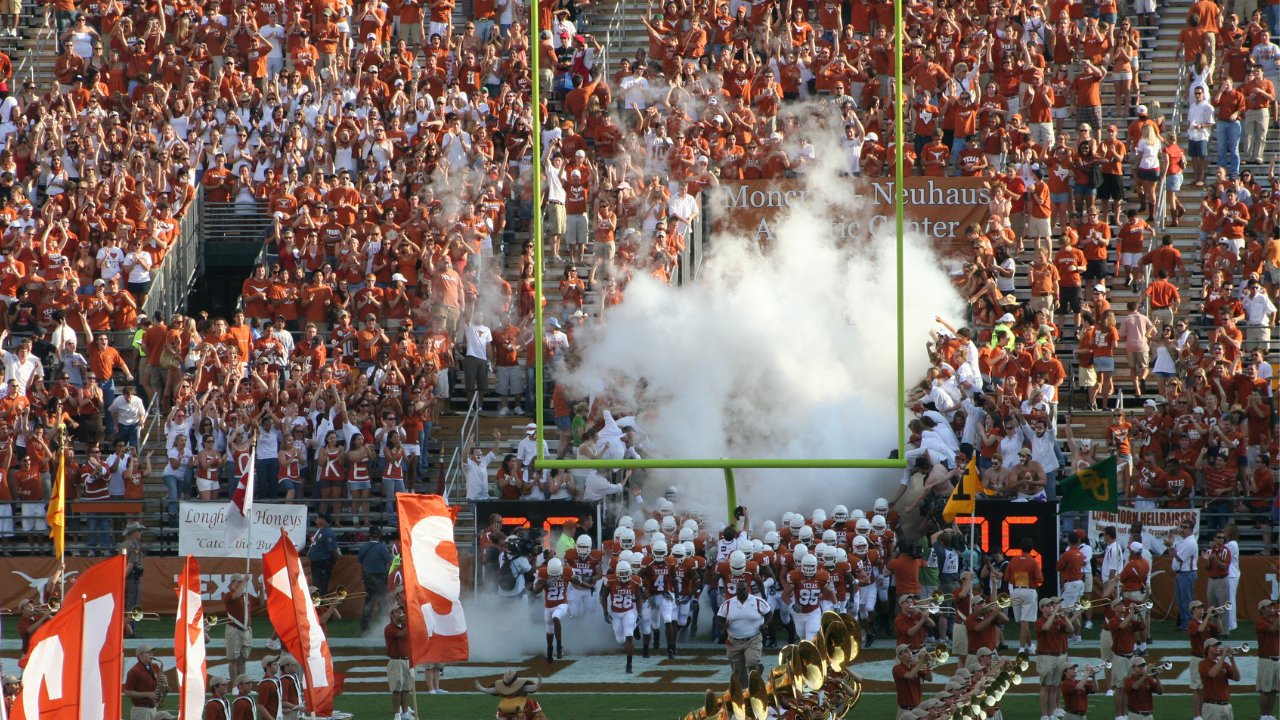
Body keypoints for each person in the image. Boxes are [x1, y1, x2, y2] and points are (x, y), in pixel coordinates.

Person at [716, 579, 770, 688]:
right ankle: (745, 691)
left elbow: (768, 613)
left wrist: (766, 624)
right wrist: (723, 626)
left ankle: (756, 681)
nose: (741, 591)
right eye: (738, 589)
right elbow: (718, 619)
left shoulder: (758, 601)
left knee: (753, 662)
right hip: (733, 640)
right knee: (737, 670)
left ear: (748, 588)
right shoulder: (728, 604)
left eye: (743, 589)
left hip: (753, 639)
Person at [601, 559, 645, 674]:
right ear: (617, 573)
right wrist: (605, 612)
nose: (624, 576)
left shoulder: (635, 581)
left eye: (626, 573)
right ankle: (630, 630)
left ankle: (629, 663)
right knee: (620, 640)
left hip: (628, 611)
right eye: (622, 573)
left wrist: (639, 614)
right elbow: (603, 597)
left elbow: (638, 598)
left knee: (629, 635)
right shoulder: (610, 580)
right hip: (615, 613)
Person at [1036, 597, 1076, 720]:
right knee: (1045, 686)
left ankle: (1051, 714)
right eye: (1047, 606)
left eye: (1051, 606)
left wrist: (1064, 616)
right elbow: (1045, 628)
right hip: (1046, 657)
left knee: (1054, 687)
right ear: (1042, 608)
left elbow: (1070, 629)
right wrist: (1054, 614)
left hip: (1059, 656)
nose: (1051, 607)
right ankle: (1044, 715)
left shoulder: (1058, 621)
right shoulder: (1039, 621)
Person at [1007, 538, 1042, 652]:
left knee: (1023, 622)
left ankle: (1030, 646)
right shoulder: (1033, 562)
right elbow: (1039, 579)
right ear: (1031, 548)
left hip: (1016, 591)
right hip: (1028, 591)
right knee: (1024, 622)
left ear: (1021, 548)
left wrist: (1020, 577)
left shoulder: (1013, 560)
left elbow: (1007, 577)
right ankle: (1022, 648)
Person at [533, 557, 570, 663]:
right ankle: (550, 650)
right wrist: (545, 583)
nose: (555, 576)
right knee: (549, 631)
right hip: (548, 606)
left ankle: (559, 646)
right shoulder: (543, 574)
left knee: (556, 618)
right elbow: (536, 590)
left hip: (562, 604)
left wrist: (588, 586)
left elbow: (577, 581)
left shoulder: (567, 572)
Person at [1189, 600, 1220, 720]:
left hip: (1207, 659)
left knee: (1206, 687)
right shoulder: (1192, 624)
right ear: (1193, 610)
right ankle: (1197, 716)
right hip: (1197, 658)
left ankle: (1204, 714)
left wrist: (1217, 618)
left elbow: (1219, 631)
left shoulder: (1206, 622)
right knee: (1197, 688)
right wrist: (1208, 616)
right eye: (1198, 608)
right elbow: (1200, 629)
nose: (1202, 609)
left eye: (1202, 608)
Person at [358, 528, 394, 633]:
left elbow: (359, 564)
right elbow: (391, 561)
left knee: (369, 602)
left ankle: (365, 627)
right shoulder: (382, 548)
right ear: (379, 536)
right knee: (383, 602)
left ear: (369, 535)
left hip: (368, 577)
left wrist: (362, 577)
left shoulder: (363, 547)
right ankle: (383, 624)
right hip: (380, 577)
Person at [1166, 519, 1199, 631]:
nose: (1182, 530)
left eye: (1185, 528)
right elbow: (1173, 557)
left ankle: (1188, 624)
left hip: (1187, 574)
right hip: (1181, 574)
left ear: (1191, 529)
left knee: (1186, 601)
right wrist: (1170, 545)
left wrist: (1171, 546)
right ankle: (1184, 623)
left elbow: (1179, 558)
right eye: (1181, 527)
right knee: (1180, 601)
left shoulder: (1190, 542)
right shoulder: (1182, 542)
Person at [122, 644, 170, 720]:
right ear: (140, 656)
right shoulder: (134, 671)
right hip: (140, 710)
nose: (151, 654)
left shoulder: (155, 667)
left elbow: (159, 684)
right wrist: (147, 694)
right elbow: (127, 692)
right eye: (148, 653)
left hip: (153, 708)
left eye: (151, 652)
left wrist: (164, 681)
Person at [223, 574, 255, 684]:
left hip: (246, 630)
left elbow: (259, 602)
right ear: (233, 582)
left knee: (243, 659)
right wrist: (245, 581)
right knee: (233, 659)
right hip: (234, 629)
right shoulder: (228, 595)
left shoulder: (246, 596)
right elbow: (236, 596)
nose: (241, 583)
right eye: (239, 581)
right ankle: (235, 685)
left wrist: (260, 589)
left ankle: (243, 684)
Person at [1199, 638, 1241, 720]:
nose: (1217, 647)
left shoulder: (1224, 664)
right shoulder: (1203, 663)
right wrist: (1223, 655)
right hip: (1212, 707)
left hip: (1226, 706)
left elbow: (1237, 678)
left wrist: (1232, 661)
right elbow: (1212, 674)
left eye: (1217, 645)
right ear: (1207, 649)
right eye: (1214, 646)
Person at [385, 605, 413, 720]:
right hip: (396, 661)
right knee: (397, 689)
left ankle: (405, 712)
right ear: (391, 615)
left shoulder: (405, 625)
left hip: (407, 660)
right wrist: (411, 621)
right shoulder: (389, 628)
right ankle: (397, 713)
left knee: (407, 688)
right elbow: (401, 634)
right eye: (397, 611)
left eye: (402, 610)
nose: (401, 612)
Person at [892, 642, 932, 720]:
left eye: (910, 651)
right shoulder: (897, 668)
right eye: (906, 651)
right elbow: (910, 675)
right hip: (905, 710)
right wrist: (921, 661)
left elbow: (929, 678)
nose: (910, 653)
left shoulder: (914, 667)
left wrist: (927, 664)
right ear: (900, 656)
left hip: (918, 709)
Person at [120, 521, 145, 638]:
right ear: (134, 533)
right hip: (132, 578)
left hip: (124, 578)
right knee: (132, 606)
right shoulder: (133, 546)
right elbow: (130, 565)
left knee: (123, 605)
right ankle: (130, 631)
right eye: (139, 531)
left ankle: (122, 629)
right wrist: (123, 577)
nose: (141, 533)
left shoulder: (123, 544)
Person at [1257, 599, 1280, 720]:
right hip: (1266, 660)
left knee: (1274, 690)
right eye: (1268, 607)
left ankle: (1269, 715)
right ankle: (1263, 715)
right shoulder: (1260, 622)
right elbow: (1271, 629)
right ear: (1262, 609)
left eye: (1272, 606)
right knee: (1265, 690)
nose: (1272, 608)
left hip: (1276, 659)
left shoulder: (1274, 621)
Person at [308, 513, 338, 594]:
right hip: (316, 562)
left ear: (324, 522)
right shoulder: (320, 531)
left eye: (320, 517)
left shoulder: (328, 533)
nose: (317, 518)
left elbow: (334, 550)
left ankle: (322, 603)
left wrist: (333, 561)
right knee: (317, 584)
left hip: (322, 562)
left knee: (320, 585)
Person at [256, 655, 281, 720]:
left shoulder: (275, 681)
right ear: (267, 667)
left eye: (277, 664)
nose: (277, 666)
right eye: (274, 664)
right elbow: (260, 706)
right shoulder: (266, 684)